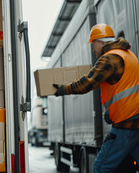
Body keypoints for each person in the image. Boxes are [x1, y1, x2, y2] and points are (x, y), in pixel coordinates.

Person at [53, 23, 139, 173]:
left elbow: (87, 83)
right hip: (135, 122)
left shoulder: (109, 59)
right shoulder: (128, 55)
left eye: (93, 45)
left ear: (102, 42)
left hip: (126, 125)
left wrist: (62, 89)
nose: (93, 49)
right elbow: (125, 88)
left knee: (101, 167)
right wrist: (111, 111)